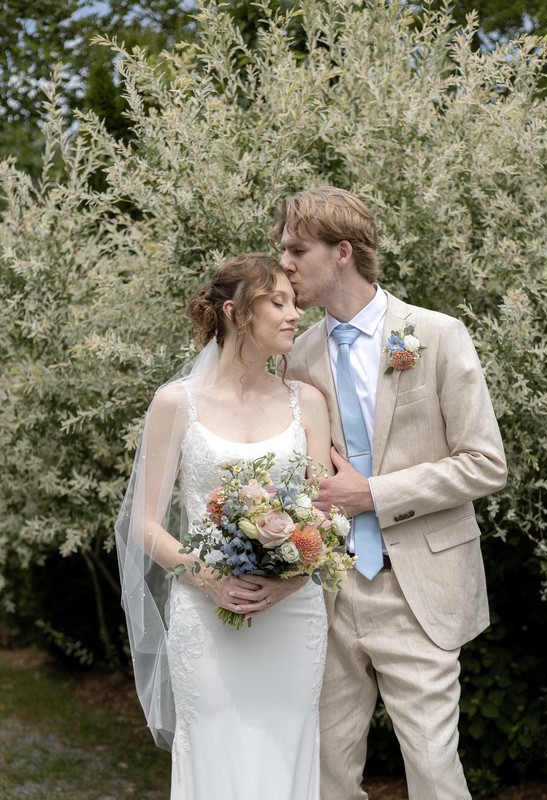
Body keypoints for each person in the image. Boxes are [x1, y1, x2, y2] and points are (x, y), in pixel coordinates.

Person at [269, 187, 508, 800]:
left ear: (342, 252)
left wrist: (371, 493)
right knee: (324, 774)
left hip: (419, 591)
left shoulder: (437, 334)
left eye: (297, 249)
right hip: (327, 591)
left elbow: (485, 464)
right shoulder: (295, 356)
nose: (285, 264)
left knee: (432, 773)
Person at [115, 253, 334, 800]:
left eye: (293, 302)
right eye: (277, 303)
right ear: (236, 313)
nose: (293, 315)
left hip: (293, 614)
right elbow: (144, 524)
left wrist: (290, 579)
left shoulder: (306, 402)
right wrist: (207, 578)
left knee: (288, 752)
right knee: (214, 753)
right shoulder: (176, 404)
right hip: (207, 615)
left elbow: (327, 513)